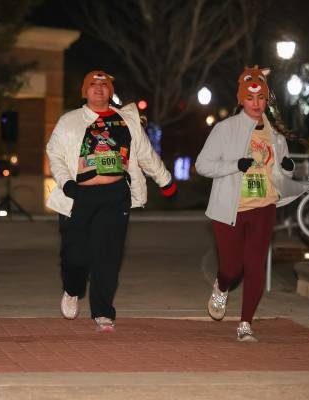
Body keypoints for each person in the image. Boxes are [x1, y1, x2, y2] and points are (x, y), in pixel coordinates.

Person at [46, 70, 177, 332]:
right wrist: (67, 182)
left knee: (108, 256)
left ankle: (103, 312)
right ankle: (72, 288)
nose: (98, 88)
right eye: (92, 84)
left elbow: (145, 154)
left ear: (110, 91)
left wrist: (166, 181)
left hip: (115, 195)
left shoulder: (125, 121)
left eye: (104, 84)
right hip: (78, 196)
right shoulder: (69, 120)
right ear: (84, 91)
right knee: (76, 256)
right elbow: (54, 153)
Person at [196, 65, 307, 342]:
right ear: (241, 99)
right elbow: (202, 165)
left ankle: (245, 323)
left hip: (264, 207)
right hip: (230, 209)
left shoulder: (276, 135)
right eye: (250, 98)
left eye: (260, 98)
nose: (256, 104)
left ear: (266, 100)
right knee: (232, 269)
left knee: (255, 265)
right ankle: (222, 286)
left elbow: (281, 171)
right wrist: (235, 165)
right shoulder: (225, 129)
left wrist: (289, 168)